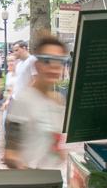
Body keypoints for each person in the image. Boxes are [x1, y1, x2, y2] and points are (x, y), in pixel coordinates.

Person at [4, 34, 69, 170]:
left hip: (52, 182)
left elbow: (54, 144)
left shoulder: (58, 100)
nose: (54, 66)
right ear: (36, 64)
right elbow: (10, 154)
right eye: (47, 60)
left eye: (59, 61)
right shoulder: (23, 100)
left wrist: (59, 153)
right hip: (30, 185)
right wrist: (28, 173)